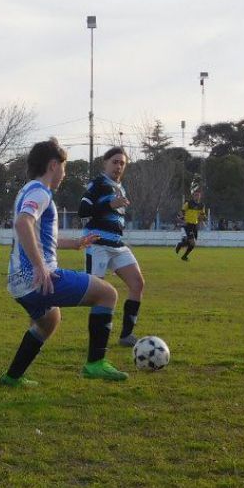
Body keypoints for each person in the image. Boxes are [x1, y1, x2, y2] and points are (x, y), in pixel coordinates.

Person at [0, 138, 128, 386]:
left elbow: (39, 236)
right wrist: (39, 266)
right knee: (108, 295)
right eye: (64, 167)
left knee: (49, 321)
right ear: (52, 166)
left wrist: (76, 243)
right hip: (38, 279)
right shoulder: (40, 192)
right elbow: (23, 224)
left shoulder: (26, 191)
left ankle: (12, 377)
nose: (64, 174)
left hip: (18, 285)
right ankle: (95, 363)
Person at [78, 146, 145, 348]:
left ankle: (126, 335)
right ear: (105, 163)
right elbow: (83, 211)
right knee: (95, 295)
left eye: (122, 163)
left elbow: (115, 218)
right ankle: (53, 301)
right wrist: (109, 205)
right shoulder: (97, 184)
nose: (118, 166)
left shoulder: (119, 187)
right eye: (115, 162)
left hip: (117, 245)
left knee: (137, 284)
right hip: (97, 244)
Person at [175, 189, 207, 261]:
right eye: (195, 195)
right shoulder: (188, 203)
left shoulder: (201, 205)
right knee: (192, 242)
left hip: (195, 225)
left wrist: (203, 218)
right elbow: (181, 213)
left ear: (200, 196)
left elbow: (202, 215)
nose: (197, 196)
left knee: (192, 244)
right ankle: (182, 248)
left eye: (198, 195)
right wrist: (182, 219)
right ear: (193, 196)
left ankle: (181, 247)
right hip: (188, 224)